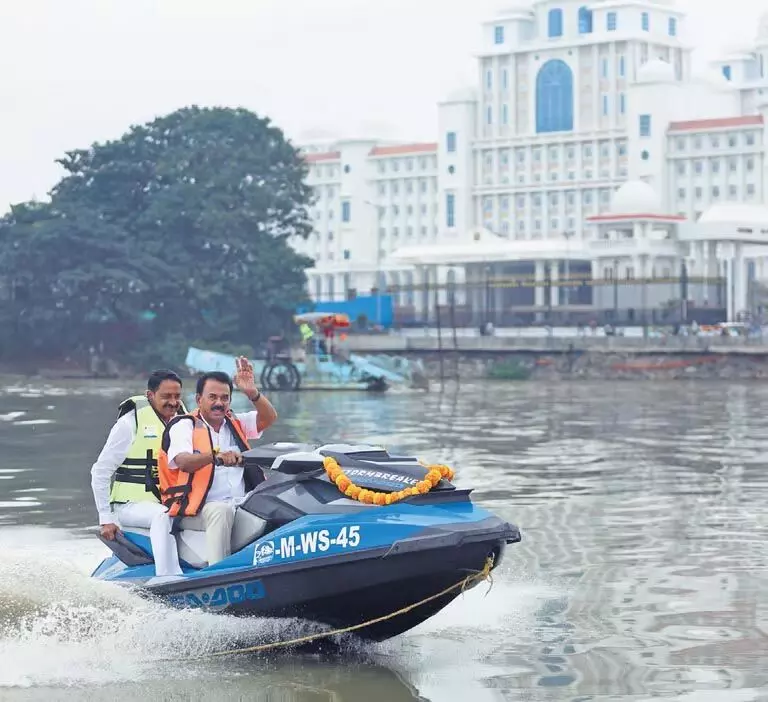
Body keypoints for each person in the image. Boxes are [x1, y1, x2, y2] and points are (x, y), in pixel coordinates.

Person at [158, 358, 278, 565]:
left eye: (225, 398)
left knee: (277, 502)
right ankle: (219, 573)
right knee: (220, 510)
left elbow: (269, 418)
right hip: (195, 510)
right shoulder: (184, 425)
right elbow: (183, 461)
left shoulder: (235, 423)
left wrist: (252, 392)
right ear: (199, 399)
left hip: (240, 503)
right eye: (212, 397)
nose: (219, 403)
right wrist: (214, 457)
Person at [90, 369, 187, 583]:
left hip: (170, 501)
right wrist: (105, 519)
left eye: (177, 396)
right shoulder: (129, 423)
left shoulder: (183, 421)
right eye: (166, 397)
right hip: (130, 505)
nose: (173, 402)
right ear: (150, 395)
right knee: (164, 516)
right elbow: (100, 472)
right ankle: (168, 578)